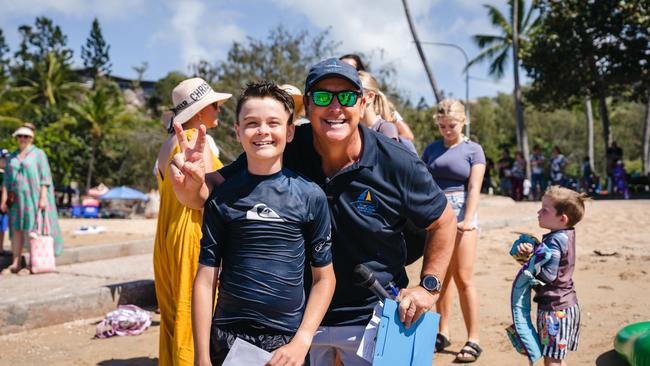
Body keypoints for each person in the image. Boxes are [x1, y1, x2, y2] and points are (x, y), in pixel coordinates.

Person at [171, 58, 457, 366]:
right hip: (297, 326)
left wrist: (429, 287)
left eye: (346, 97)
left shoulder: (396, 162)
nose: (335, 107)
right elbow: (210, 192)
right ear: (307, 105)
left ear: (362, 103)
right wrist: (190, 183)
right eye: (322, 97)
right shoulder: (283, 148)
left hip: (372, 316)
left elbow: (444, 221)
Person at [191, 81, 336, 365]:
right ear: (237, 131)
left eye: (273, 123)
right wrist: (201, 356)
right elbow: (205, 280)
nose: (263, 131)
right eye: (251, 123)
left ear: (290, 131)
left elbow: (324, 278)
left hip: (286, 343)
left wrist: (303, 340)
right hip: (227, 339)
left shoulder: (310, 196)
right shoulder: (223, 197)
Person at [153, 77, 231, 366]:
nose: (219, 110)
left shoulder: (167, 143)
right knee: (192, 317)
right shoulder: (198, 144)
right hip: (192, 235)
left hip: (166, 237)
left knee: (174, 318)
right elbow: (208, 196)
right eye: (215, 105)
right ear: (199, 112)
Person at [421, 99, 486, 363]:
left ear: (463, 122)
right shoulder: (432, 149)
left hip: (461, 213)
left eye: (452, 125)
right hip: (437, 213)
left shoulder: (474, 150)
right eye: (443, 125)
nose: (447, 130)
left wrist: (468, 219)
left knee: (462, 277)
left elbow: (474, 187)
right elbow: (422, 181)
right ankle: (442, 331)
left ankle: (474, 338)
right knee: (440, 277)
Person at [516, 186, 587, 365]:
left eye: (545, 210)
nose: (539, 212)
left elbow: (548, 276)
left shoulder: (554, 241)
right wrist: (534, 254)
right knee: (556, 357)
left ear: (562, 219)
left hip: (555, 310)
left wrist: (529, 258)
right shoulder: (565, 234)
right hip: (566, 304)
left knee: (551, 361)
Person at [0, 123, 63, 274]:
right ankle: (16, 262)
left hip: (33, 198)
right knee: (16, 230)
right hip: (16, 200)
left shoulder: (39, 154)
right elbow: (7, 181)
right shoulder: (12, 157)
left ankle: (31, 263)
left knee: (32, 230)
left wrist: (43, 197)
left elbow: (45, 177)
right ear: (16, 138)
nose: (23, 139)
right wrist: (4, 200)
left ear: (31, 138)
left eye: (26, 136)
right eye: (20, 136)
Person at [0, 149, 9, 256]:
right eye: (3, 159)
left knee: (2, 228)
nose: (5, 161)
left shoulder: (7, 173)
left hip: (3, 205)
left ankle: (1, 248)